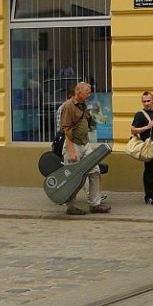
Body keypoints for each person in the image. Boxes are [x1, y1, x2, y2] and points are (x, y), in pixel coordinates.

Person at [59, 81, 111, 215]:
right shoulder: (69, 106)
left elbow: (90, 120)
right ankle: (70, 207)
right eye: (87, 92)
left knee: (95, 171)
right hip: (73, 145)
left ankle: (95, 204)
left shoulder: (83, 105)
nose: (89, 95)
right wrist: (71, 151)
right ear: (79, 92)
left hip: (85, 144)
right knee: (72, 177)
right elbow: (66, 129)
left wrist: (98, 115)